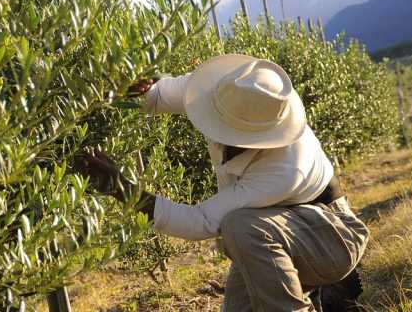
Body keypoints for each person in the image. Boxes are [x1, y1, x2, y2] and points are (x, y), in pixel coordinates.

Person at [77, 54, 369, 312]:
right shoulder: (229, 92)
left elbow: (200, 221)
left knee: (240, 226)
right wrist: (121, 88)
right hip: (270, 234)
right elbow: (157, 95)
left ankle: (324, 290)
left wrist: (119, 186)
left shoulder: (286, 166)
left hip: (331, 235)